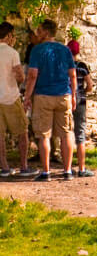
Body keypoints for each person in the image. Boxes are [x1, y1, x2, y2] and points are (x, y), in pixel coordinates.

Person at [23, 19, 76, 181]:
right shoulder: (65, 50)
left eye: (39, 31)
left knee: (44, 135)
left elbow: (32, 75)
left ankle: (46, 172)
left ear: (46, 32)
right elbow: (72, 74)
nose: (37, 34)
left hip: (43, 96)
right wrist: (73, 95)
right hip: (63, 94)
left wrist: (27, 96)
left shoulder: (37, 50)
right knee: (66, 133)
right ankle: (67, 171)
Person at [0, 22, 22, 177]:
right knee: (22, 131)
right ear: (8, 36)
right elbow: (19, 76)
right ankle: (24, 165)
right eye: (13, 35)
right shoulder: (12, 53)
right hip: (11, 96)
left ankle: (4, 166)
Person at [65, 39, 89, 179]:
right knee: (80, 134)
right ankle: (81, 168)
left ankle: (67, 168)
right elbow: (90, 84)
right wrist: (84, 91)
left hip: (66, 99)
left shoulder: (64, 65)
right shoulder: (82, 66)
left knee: (66, 133)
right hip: (80, 101)